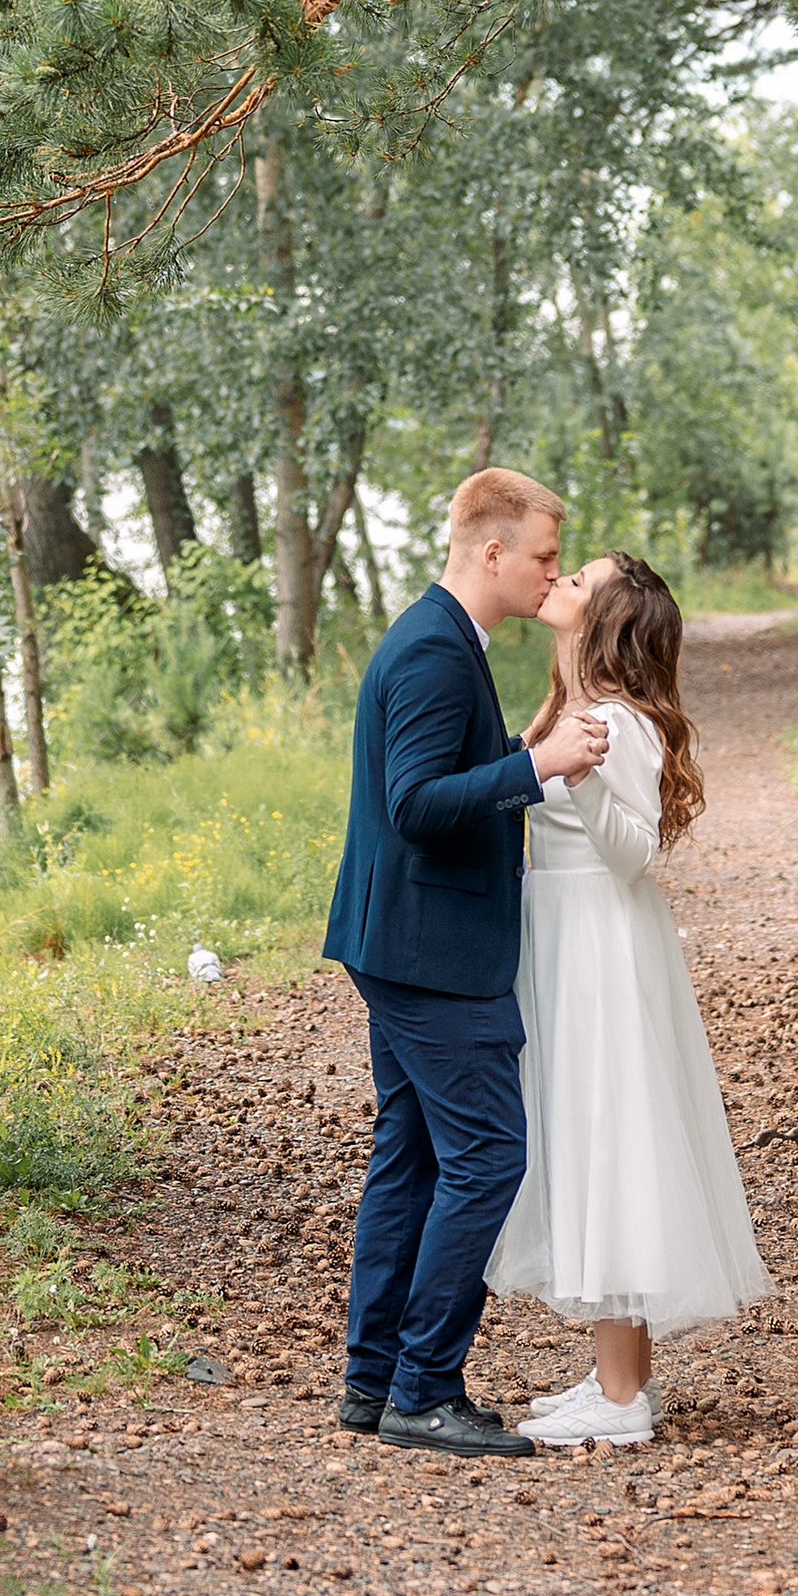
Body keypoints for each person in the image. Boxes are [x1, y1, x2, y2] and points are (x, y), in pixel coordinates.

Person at [321, 466, 607, 1458]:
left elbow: (440, 773)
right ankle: (423, 1385)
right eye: (541, 556)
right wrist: (539, 765)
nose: (550, 573)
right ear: (490, 551)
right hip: (432, 952)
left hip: (397, 939)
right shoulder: (437, 653)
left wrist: (526, 745)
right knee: (487, 1154)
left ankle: (374, 1381)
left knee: (415, 1153)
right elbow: (414, 801)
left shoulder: (439, 639)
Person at [485, 551, 771, 1445]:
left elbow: (632, 849)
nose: (561, 579)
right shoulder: (577, 710)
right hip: (572, 932)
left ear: (605, 616)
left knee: (609, 1140)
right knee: (596, 1138)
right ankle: (619, 1382)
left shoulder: (618, 722)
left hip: (602, 941)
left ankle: (620, 1404)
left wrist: (569, 769)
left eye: (581, 578)